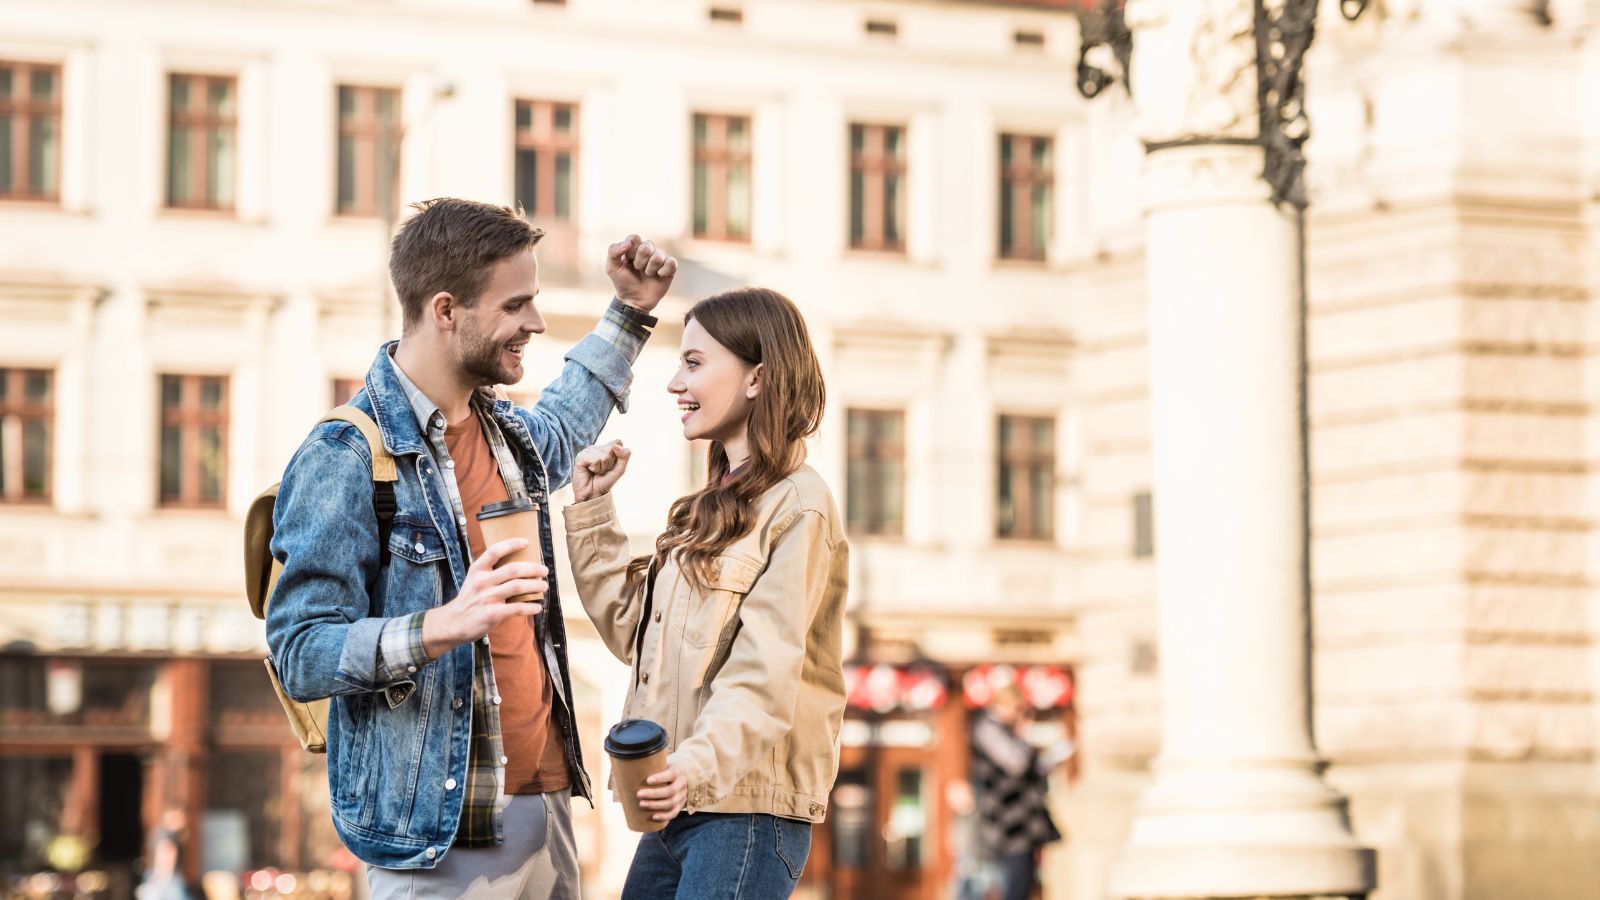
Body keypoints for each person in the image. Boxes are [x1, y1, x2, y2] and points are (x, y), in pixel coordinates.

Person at [266, 197, 677, 899]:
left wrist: (631, 312)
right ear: (447, 309)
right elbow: (299, 651)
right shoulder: (345, 453)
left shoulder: (506, 435)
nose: (536, 324)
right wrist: (440, 626)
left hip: (546, 814)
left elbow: (569, 413)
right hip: (434, 842)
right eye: (516, 305)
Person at [561, 287, 848, 899]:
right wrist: (592, 510)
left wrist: (691, 769)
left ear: (756, 378)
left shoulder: (801, 505)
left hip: (744, 809)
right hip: (679, 802)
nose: (673, 383)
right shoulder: (708, 510)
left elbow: (764, 672)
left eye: (694, 363)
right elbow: (631, 632)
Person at [970, 686, 1073, 900]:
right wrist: (1024, 735)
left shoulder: (1004, 731)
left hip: (1022, 824)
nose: (1021, 716)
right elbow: (1017, 763)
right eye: (1019, 710)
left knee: (1025, 882)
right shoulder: (990, 729)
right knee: (1012, 884)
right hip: (1007, 824)